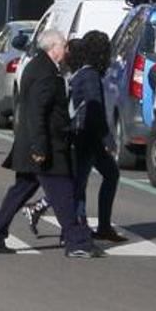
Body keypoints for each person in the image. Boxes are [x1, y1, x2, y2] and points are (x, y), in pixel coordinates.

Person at [0, 29, 101, 258]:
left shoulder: (40, 67)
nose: (66, 51)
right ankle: (76, 242)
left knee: (19, 192)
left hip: (37, 144)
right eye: (64, 46)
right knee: (63, 193)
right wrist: (39, 147)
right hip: (46, 147)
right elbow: (37, 112)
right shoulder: (45, 72)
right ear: (54, 47)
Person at [66, 30, 127, 243]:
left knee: (108, 175)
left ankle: (100, 226)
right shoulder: (91, 76)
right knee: (78, 185)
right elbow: (95, 110)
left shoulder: (82, 73)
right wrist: (107, 138)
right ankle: (75, 229)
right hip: (87, 138)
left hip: (85, 137)